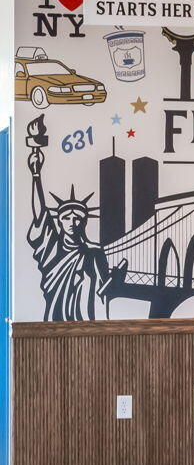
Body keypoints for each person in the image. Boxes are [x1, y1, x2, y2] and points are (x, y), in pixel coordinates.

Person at [26, 118, 127, 320]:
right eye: (66, 218)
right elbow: (39, 214)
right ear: (59, 221)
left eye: (77, 218)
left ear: (84, 221)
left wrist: (116, 279)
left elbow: (103, 291)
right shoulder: (51, 247)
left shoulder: (95, 252)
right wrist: (36, 175)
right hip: (55, 322)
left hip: (87, 324)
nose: (72, 222)